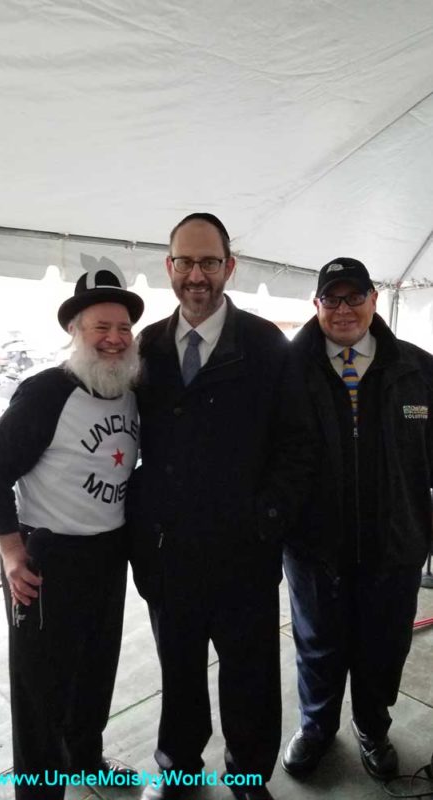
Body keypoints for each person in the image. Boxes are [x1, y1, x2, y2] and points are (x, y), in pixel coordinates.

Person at [128, 212, 314, 800]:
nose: (197, 275)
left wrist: (268, 519)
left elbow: (298, 444)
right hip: (169, 551)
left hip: (243, 553)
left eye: (209, 262)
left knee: (250, 673)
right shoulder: (149, 345)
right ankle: (179, 768)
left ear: (229, 267)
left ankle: (247, 773)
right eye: (185, 261)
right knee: (178, 670)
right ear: (169, 267)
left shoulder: (265, 345)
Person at [0, 266, 144, 800]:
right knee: (39, 691)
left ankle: (86, 759)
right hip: (46, 557)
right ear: (75, 331)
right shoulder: (47, 392)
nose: (114, 339)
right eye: (101, 327)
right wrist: (10, 552)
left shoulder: (125, 388)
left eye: (122, 328)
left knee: (96, 669)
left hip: (107, 551)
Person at [281, 257, 433, 781]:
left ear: (373, 299)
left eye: (354, 297)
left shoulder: (418, 369)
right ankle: (317, 727)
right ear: (317, 305)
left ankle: (373, 726)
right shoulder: (287, 371)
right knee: (317, 644)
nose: (343, 308)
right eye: (332, 298)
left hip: (395, 545)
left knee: (384, 645)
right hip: (314, 547)